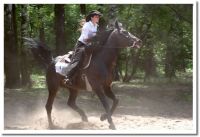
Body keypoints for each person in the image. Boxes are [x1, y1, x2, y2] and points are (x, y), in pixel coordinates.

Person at [63, 10, 102, 85]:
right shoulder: (87, 25)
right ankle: (68, 77)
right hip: (81, 44)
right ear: (92, 17)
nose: (98, 18)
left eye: (98, 17)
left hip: (91, 45)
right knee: (78, 60)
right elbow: (85, 39)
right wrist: (94, 39)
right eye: (96, 16)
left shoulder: (96, 26)